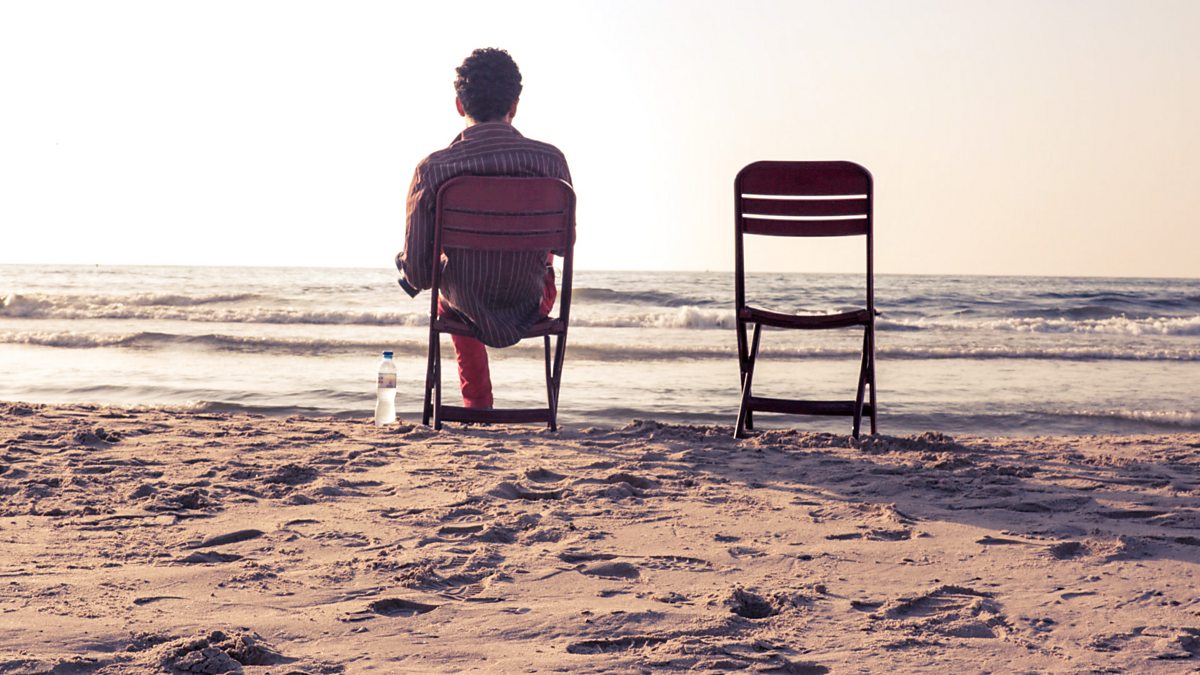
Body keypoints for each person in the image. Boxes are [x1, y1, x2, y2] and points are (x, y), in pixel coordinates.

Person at [396, 48, 572, 410]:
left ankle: (477, 406)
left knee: (449, 293)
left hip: (463, 304)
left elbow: (419, 275)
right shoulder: (551, 162)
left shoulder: (433, 170)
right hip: (533, 302)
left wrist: (416, 262)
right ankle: (546, 410)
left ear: (460, 105)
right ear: (515, 105)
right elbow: (564, 245)